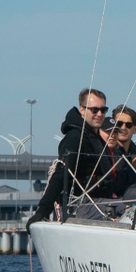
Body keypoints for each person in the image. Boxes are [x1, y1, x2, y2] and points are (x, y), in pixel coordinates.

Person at [30, 88, 115, 223]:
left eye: (103, 110)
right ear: (82, 110)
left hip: (100, 202)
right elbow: (60, 174)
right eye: (94, 110)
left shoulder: (95, 138)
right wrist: (42, 211)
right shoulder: (75, 138)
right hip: (81, 206)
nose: (99, 114)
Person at [93, 105, 136, 200]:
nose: (123, 128)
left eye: (128, 125)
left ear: (135, 129)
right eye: (119, 124)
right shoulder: (103, 153)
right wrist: (133, 169)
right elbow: (111, 183)